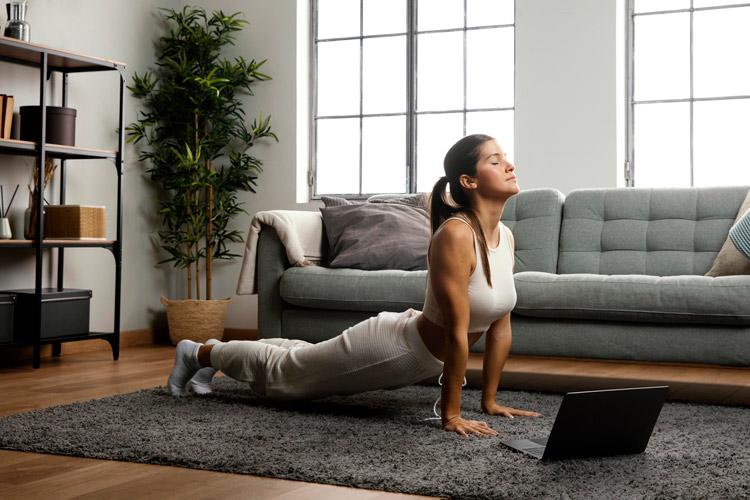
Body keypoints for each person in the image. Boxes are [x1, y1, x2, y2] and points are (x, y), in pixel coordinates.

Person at [167, 134, 541, 437]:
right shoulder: (456, 236)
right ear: (469, 181)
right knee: (288, 375)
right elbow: (457, 333)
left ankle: (217, 350)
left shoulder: (503, 236)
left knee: (306, 355)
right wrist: (451, 415)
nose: (509, 165)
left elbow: (500, 327)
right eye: (495, 160)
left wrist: (490, 402)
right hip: (396, 349)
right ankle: (198, 353)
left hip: (415, 351)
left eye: (505, 157)